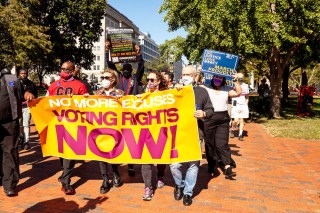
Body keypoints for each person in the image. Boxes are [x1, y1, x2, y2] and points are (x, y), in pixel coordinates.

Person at [170, 65, 214, 206]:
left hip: (196, 134)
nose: (185, 77)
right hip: (177, 134)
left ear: (195, 76)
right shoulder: (175, 91)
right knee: (175, 165)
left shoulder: (202, 92)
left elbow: (210, 109)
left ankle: (188, 193)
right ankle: (179, 185)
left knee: (193, 166)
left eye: (188, 74)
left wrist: (204, 113)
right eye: (183, 74)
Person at [47, 61, 88, 195]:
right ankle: (65, 171)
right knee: (61, 152)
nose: (63, 71)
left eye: (66, 69)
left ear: (72, 71)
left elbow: (86, 104)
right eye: (62, 69)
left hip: (73, 125)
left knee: (70, 153)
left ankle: (66, 182)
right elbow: (46, 102)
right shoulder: (54, 85)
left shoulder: (80, 85)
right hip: (58, 124)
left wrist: (81, 99)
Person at [0, 68, 35, 196]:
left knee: (10, 152)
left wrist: (27, 94)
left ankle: (9, 184)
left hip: (9, 122)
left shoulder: (12, 79)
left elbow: (23, 92)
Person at [202, 74, 241, 177]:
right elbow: (195, 87)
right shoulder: (206, 87)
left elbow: (238, 92)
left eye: (220, 78)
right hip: (209, 118)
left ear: (223, 79)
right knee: (210, 144)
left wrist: (236, 81)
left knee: (222, 144)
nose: (217, 79)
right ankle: (211, 164)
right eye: (216, 77)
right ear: (212, 77)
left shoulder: (226, 89)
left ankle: (227, 166)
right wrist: (198, 74)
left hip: (223, 119)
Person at [93, 69, 124, 194]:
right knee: (101, 153)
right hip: (100, 128)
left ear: (113, 80)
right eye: (103, 77)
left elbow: (126, 108)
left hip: (114, 128)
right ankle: (105, 179)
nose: (104, 80)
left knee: (113, 152)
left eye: (107, 77)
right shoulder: (96, 93)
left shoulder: (119, 93)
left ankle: (116, 173)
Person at [139, 71, 168, 201]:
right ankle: (148, 187)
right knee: (146, 160)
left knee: (161, 157)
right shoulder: (142, 95)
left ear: (158, 81)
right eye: (148, 79)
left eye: (152, 80)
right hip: (146, 132)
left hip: (161, 131)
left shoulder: (165, 95)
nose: (150, 82)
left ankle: (160, 175)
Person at [116, 45, 145, 176]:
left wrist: (138, 54)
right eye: (124, 69)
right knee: (119, 137)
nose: (126, 71)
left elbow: (141, 67)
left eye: (128, 69)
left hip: (131, 113)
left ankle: (131, 165)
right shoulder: (117, 79)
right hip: (118, 112)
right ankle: (119, 159)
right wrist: (107, 52)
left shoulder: (135, 78)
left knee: (131, 137)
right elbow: (110, 64)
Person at [17, 69, 38, 150]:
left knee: (26, 124)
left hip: (27, 107)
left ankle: (26, 142)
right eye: (22, 73)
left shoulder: (31, 84)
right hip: (18, 107)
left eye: (25, 73)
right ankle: (21, 138)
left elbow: (36, 95)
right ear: (19, 74)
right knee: (19, 125)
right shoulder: (16, 83)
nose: (23, 74)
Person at [230, 73, 249, 141]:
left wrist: (246, 104)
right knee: (235, 120)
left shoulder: (246, 86)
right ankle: (232, 129)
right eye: (239, 78)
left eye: (242, 78)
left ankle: (240, 135)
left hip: (243, 104)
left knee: (242, 120)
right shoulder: (233, 84)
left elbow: (247, 96)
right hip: (236, 103)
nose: (240, 80)